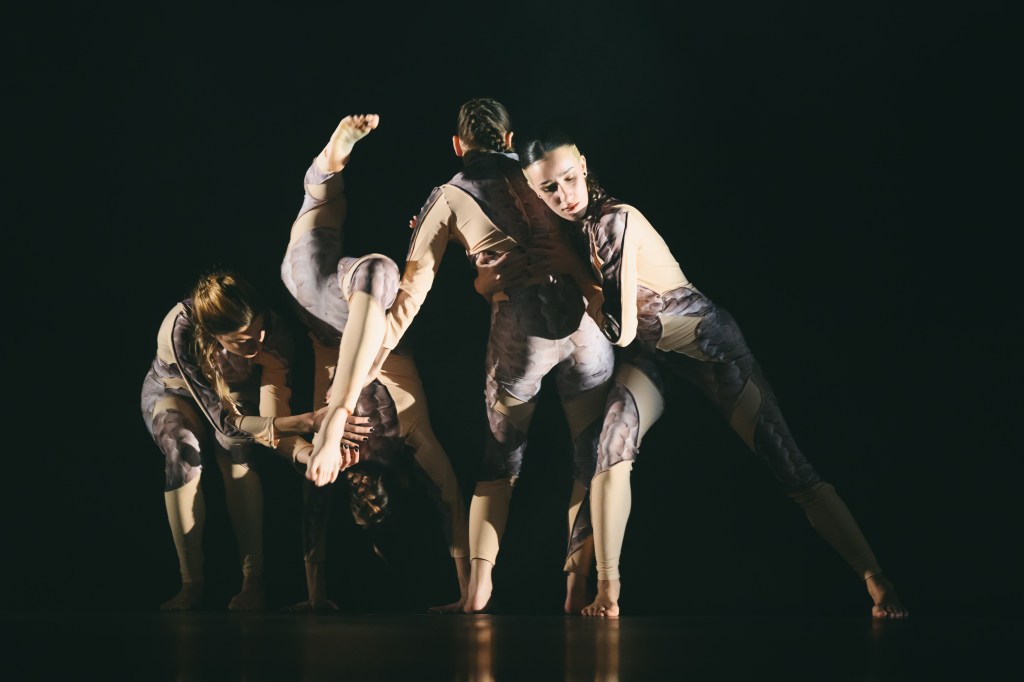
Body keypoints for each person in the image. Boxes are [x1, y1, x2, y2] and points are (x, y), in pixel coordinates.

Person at [516, 129, 910, 620]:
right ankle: (606, 592)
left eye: (569, 179)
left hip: (709, 347)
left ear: (583, 165)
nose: (564, 195)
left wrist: (573, 270)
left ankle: (875, 579)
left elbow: (618, 329)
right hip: (654, 356)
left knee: (789, 465)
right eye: (549, 189)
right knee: (611, 444)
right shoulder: (573, 230)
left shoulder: (615, 219)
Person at [309, 99, 616, 614]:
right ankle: (577, 590)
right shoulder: (546, 174)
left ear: (457, 146)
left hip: (521, 337)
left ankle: (476, 592)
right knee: (588, 459)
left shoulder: (448, 196)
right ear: (511, 139)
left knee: (500, 466)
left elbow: (409, 297)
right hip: (586, 326)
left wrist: (361, 373)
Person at [281, 114, 471, 612]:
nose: (362, 486)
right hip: (359, 308)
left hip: (324, 311)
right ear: (399, 484)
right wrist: (468, 591)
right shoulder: (410, 437)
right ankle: (332, 160)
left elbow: (313, 511)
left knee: (331, 252)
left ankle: (331, 162)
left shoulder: (341, 456)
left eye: (357, 499)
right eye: (375, 500)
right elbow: (450, 501)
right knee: (375, 272)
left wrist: (315, 594)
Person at [140, 271, 320, 611]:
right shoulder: (179, 330)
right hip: (175, 392)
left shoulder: (275, 335)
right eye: (242, 340)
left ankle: (254, 582)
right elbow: (226, 423)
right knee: (182, 447)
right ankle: (191, 583)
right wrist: (306, 421)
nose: (257, 343)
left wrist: (307, 453)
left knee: (236, 451)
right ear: (214, 335)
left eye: (259, 330)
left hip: (235, 394)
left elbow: (270, 426)